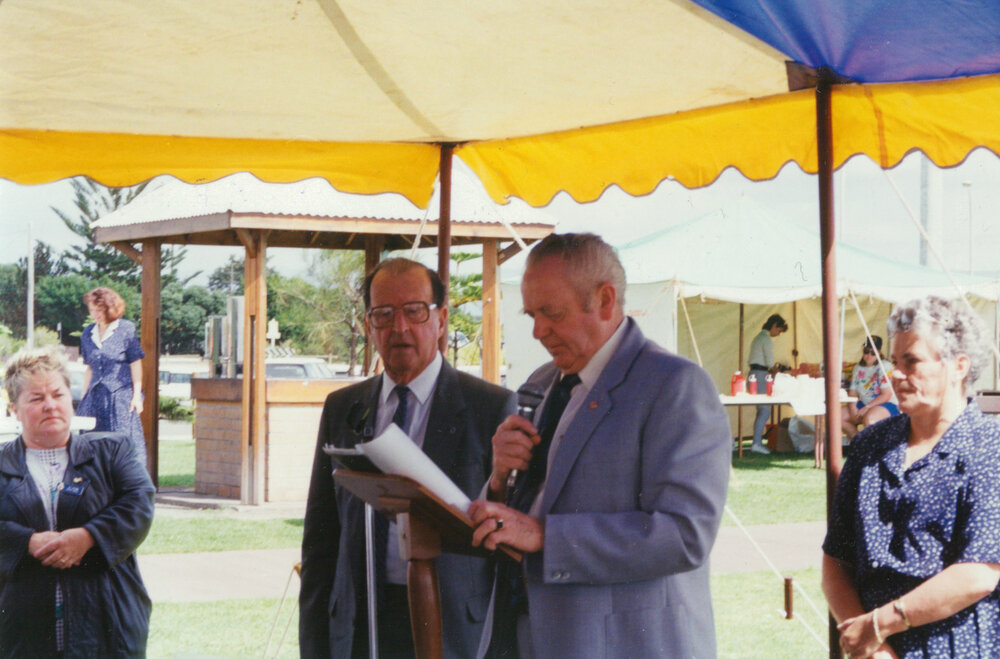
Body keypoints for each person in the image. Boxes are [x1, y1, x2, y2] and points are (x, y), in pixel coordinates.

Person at [468, 233, 731, 658]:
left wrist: (545, 535)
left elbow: (686, 535)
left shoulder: (674, 386)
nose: (537, 331)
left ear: (606, 300)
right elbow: (523, 513)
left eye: (552, 313)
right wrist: (499, 479)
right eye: (531, 314)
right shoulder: (540, 383)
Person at [299, 258, 516, 659]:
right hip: (360, 625)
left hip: (453, 628)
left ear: (441, 319)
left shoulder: (490, 408)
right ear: (369, 326)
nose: (399, 327)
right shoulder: (342, 408)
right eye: (383, 314)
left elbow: (507, 548)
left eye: (414, 311)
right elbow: (320, 542)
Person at [823, 296, 1000, 658]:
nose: (896, 374)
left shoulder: (989, 448)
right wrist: (873, 646)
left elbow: (979, 572)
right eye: (894, 362)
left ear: (959, 366)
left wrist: (879, 625)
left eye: (912, 361)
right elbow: (836, 559)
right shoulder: (870, 445)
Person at [0, 346, 155, 657]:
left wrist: (88, 537)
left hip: (108, 622)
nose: (50, 405)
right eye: (36, 398)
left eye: (58, 395)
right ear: (14, 409)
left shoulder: (113, 451)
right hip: (20, 630)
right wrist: (26, 542)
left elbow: (139, 503)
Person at [76, 286, 147, 466]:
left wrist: (136, 396)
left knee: (121, 444)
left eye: (99, 310)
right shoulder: (87, 333)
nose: (95, 314)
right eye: (92, 310)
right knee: (92, 446)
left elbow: (136, 363)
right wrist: (84, 396)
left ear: (111, 308)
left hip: (120, 398)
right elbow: (90, 368)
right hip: (94, 398)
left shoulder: (125, 329)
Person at [841, 335, 900, 441]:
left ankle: (874, 448)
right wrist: (853, 409)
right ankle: (859, 443)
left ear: (879, 353)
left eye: (873, 353)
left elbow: (886, 395)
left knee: (870, 419)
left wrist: (867, 408)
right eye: (866, 351)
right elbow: (853, 392)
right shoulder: (858, 368)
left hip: (887, 403)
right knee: (837, 416)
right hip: (865, 403)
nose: (869, 355)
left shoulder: (884, 366)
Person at [747, 313, 788, 454]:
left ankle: (756, 442)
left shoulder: (758, 337)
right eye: (779, 331)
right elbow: (770, 363)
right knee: (764, 410)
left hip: (755, 373)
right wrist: (778, 371)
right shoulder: (766, 339)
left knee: (762, 410)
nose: (778, 334)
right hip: (760, 374)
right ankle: (756, 443)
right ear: (774, 326)